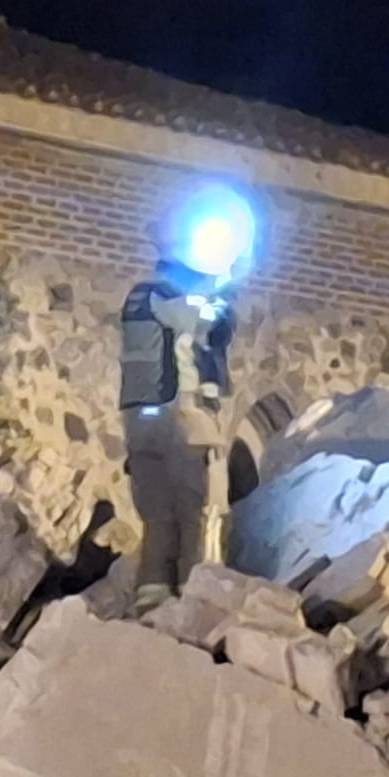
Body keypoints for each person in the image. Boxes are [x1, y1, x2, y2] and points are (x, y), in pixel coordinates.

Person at [119, 251, 238, 607]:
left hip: (139, 419)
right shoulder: (175, 300)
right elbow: (209, 322)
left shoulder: (138, 297)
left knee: (158, 515)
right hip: (183, 416)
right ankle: (200, 596)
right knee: (205, 508)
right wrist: (225, 286)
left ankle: (152, 595)